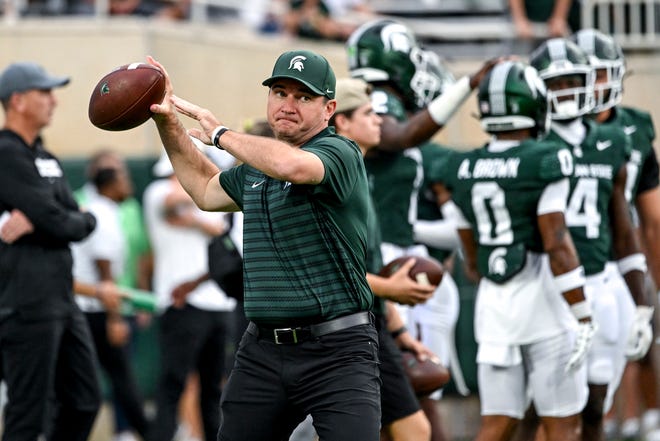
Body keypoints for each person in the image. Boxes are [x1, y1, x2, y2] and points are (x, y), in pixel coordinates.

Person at [144, 48, 380, 441]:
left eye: (303, 97)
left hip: (337, 348)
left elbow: (293, 166)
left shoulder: (341, 151)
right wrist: (167, 122)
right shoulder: (255, 169)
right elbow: (204, 188)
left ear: (329, 109)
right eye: (280, 92)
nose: (288, 105)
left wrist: (220, 134)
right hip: (263, 349)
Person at [346, 18, 497, 440]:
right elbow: (401, 135)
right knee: (405, 388)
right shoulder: (379, 106)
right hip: (383, 262)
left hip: (390, 260)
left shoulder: (368, 104)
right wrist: (465, 87)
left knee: (411, 385)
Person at [431, 59, 595, 441]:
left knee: (498, 423)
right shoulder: (545, 158)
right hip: (545, 301)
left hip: (494, 303)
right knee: (562, 424)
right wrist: (582, 311)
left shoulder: (466, 165)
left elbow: (465, 233)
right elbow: (556, 243)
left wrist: (475, 265)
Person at [518, 37, 654, 441]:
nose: (574, 92)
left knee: (595, 403)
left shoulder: (614, 141)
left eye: (575, 80)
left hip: (602, 274)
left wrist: (643, 302)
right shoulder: (532, 142)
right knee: (539, 402)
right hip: (548, 281)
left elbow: (625, 229)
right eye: (556, 84)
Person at [332, 77, 437, 441]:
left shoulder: (360, 172)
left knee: (410, 429)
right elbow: (336, 271)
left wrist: (399, 331)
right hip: (337, 327)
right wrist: (392, 288)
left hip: (370, 323)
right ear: (341, 121)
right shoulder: (331, 178)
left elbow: (367, 270)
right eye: (367, 113)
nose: (378, 121)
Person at [0, 61, 100, 440]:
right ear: (18, 100)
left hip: (61, 299)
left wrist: (49, 218)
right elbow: (64, 222)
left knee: (84, 401)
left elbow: (77, 221)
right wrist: (60, 218)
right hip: (26, 303)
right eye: (45, 93)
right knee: (29, 413)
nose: (53, 101)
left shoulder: (46, 158)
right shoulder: (6, 153)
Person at [572, 28, 660, 441]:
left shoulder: (636, 127)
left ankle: (646, 419)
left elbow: (650, 214)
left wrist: (648, 272)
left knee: (636, 341)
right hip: (571, 261)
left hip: (620, 256)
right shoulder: (555, 128)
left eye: (604, 75)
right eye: (588, 76)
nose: (597, 86)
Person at [143, 151, 236, 441]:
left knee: (213, 388)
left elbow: (221, 228)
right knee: (174, 382)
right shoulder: (159, 190)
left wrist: (197, 221)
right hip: (181, 302)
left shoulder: (213, 193)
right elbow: (174, 203)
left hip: (217, 302)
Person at [71, 152, 151, 441]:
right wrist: (115, 319)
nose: (128, 183)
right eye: (123, 178)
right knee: (112, 381)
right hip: (94, 310)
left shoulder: (111, 210)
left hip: (97, 308)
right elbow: (103, 271)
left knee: (116, 379)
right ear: (109, 184)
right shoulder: (102, 213)